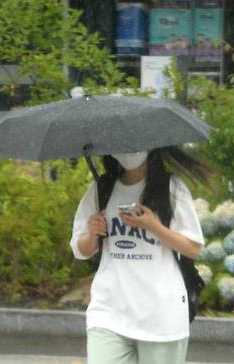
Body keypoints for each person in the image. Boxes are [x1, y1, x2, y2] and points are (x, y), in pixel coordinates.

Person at [69, 147, 213, 364]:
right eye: (121, 144)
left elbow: (193, 248)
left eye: (134, 145)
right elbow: (80, 250)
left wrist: (153, 226)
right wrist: (93, 234)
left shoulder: (171, 188)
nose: (127, 150)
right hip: (109, 312)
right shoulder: (101, 189)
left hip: (160, 316)